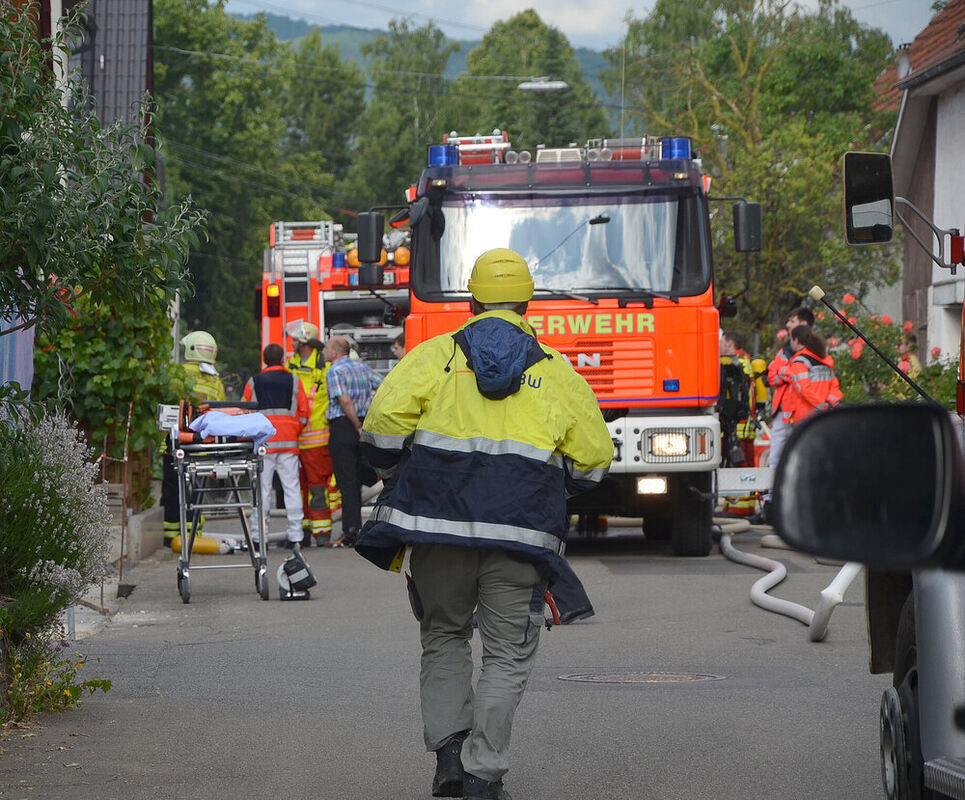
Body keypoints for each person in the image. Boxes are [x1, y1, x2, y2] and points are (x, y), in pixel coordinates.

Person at [354, 248, 614, 800]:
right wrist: (547, 481)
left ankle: (451, 756)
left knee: (444, 635)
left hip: (437, 533)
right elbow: (592, 461)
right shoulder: (556, 370)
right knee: (506, 653)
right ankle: (481, 773)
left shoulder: (432, 359)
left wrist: (404, 470)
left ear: (470, 299)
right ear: (528, 302)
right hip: (519, 539)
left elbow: (378, 433)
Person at [161, 331, 226, 547]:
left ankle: (172, 535)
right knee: (196, 491)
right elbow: (220, 411)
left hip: (176, 441)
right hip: (201, 446)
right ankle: (194, 532)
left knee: (172, 489)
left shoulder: (176, 373)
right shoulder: (215, 381)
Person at [243, 344, 308, 551]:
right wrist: (294, 428)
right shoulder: (294, 380)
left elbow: (245, 412)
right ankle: (296, 535)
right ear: (282, 359)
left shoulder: (254, 382)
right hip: (289, 442)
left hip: (264, 442)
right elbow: (305, 412)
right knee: (291, 488)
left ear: (264, 359)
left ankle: (258, 537)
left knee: (261, 491)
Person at [321, 335, 383, 547]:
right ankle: (359, 528)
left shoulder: (335, 370)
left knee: (347, 482)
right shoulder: (362, 368)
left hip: (344, 426)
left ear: (336, 352)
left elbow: (344, 400)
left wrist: (355, 423)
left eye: (327, 348)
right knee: (359, 477)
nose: (324, 351)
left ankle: (350, 531)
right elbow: (384, 385)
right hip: (364, 425)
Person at [757, 306, 815, 523]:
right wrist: (788, 373)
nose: (787, 325)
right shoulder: (785, 350)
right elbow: (773, 375)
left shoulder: (814, 349)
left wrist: (786, 373)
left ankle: (802, 503)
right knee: (776, 457)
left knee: (802, 458)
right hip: (784, 412)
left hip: (804, 411)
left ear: (803, 323)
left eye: (791, 321)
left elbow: (807, 379)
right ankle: (772, 505)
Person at [286, 320, 334, 547]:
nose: (292, 343)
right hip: (294, 439)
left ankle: (322, 532)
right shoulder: (291, 366)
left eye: (295, 339)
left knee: (317, 488)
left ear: (305, 342)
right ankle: (302, 532)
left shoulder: (324, 368)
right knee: (297, 488)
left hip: (316, 441)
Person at [775, 325, 842, 425]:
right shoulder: (825, 360)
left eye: (791, 340)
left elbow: (804, 389)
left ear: (796, 340)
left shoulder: (800, 362)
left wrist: (821, 405)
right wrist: (829, 404)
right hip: (826, 416)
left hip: (806, 417)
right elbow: (835, 387)